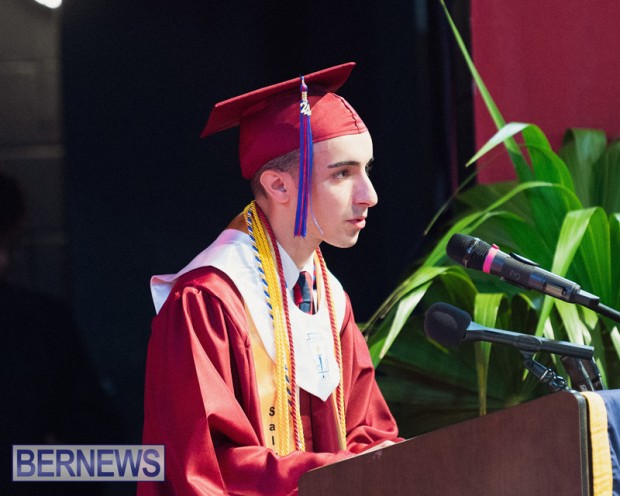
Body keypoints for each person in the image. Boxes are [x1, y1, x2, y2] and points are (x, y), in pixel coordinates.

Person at [138, 62, 401, 496]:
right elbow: (206, 468)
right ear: (279, 187)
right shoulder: (208, 301)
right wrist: (343, 472)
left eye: (366, 170)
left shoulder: (328, 297)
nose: (369, 195)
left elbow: (367, 435)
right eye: (342, 173)